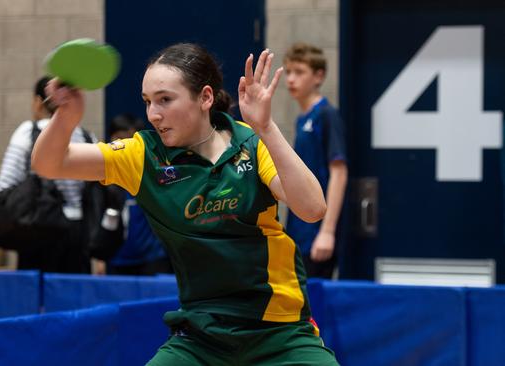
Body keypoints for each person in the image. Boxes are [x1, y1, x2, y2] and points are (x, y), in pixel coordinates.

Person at [32, 44, 338, 365]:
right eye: (148, 102)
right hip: (201, 335)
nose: (153, 114)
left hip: (280, 330)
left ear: (205, 97)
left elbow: (312, 208)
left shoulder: (248, 143)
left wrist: (266, 129)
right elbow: (50, 164)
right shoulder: (144, 156)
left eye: (165, 99)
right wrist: (65, 117)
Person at [0, 76, 99, 274]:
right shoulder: (87, 136)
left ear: (38, 102)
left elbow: (5, 186)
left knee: (37, 298)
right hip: (79, 233)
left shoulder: (27, 131)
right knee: (75, 294)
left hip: (38, 229)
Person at [283, 43, 348, 279]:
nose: (291, 79)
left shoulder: (326, 115)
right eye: (288, 72)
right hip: (299, 229)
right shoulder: (302, 119)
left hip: (317, 231)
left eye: (299, 72)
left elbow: (339, 173)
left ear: (318, 76)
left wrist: (327, 231)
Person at [103, 114, 173, 275]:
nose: (123, 148)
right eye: (118, 140)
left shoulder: (157, 173)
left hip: (153, 259)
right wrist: (98, 258)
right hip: (116, 258)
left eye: (129, 142)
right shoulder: (104, 180)